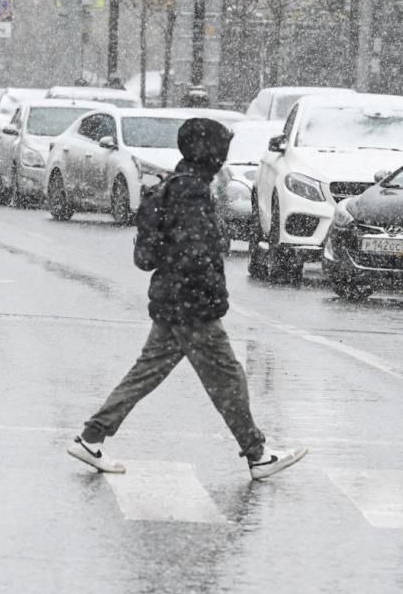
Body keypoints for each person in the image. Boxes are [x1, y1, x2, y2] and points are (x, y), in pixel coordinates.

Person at [66, 117, 307, 481]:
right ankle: (257, 454)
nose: (224, 158)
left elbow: (160, 253)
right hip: (191, 305)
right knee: (227, 378)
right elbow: (196, 253)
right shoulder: (191, 192)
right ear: (209, 152)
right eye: (220, 150)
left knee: (146, 373)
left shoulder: (174, 184)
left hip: (172, 300)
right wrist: (211, 297)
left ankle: (91, 436)